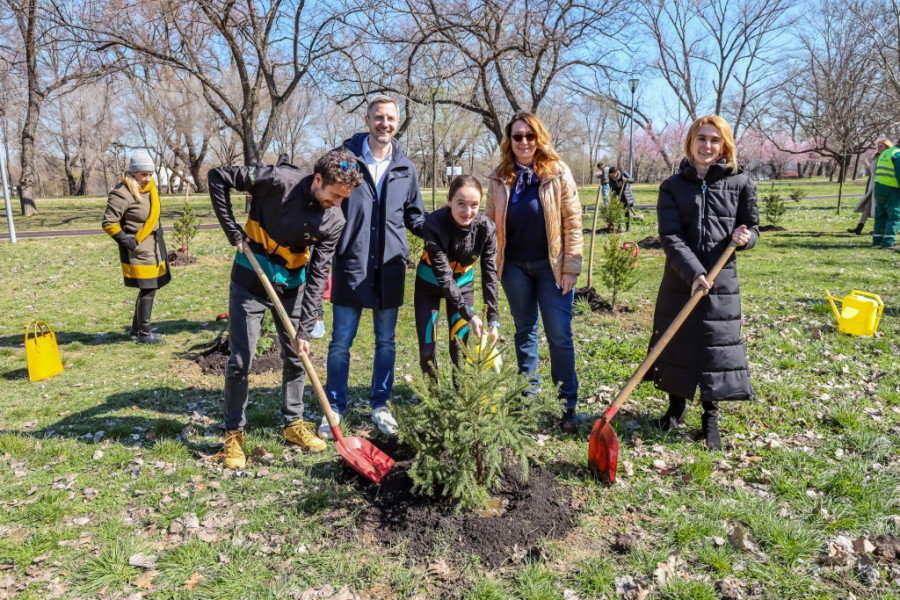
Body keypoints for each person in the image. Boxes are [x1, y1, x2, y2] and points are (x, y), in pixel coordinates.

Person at [208, 150, 363, 469]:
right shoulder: (275, 180)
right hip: (250, 278)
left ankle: (293, 424)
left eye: (343, 198)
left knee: (297, 355)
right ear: (318, 179)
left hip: (293, 285)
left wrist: (305, 328)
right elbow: (217, 176)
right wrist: (232, 230)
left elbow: (318, 274)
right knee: (241, 361)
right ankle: (234, 433)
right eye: (334, 196)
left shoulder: (335, 219)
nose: (337, 203)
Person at [649, 114, 758, 451]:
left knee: (715, 346)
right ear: (690, 142)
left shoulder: (741, 183)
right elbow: (670, 236)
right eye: (701, 138)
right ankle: (675, 409)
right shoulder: (672, 186)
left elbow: (752, 227)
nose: (707, 145)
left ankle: (710, 419)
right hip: (680, 277)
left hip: (721, 279)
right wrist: (694, 272)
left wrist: (746, 238)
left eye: (714, 140)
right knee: (677, 341)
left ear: (724, 145)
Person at [321, 95, 426, 439]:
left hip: (389, 266)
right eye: (379, 117)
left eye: (391, 118)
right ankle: (334, 406)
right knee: (340, 341)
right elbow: (325, 202)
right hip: (351, 262)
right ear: (367, 120)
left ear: (398, 123)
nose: (385, 124)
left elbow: (414, 216)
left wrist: (442, 228)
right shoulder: (345, 160)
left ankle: (380, 405)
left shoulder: (405, 167)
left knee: (386, 341)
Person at [485, 111, 583, 433]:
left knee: (559, 335)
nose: (524, 142)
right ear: (509, 140)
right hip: (514, 267)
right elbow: (489, 225)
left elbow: (573, 222)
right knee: (524, 330)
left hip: (551, 268)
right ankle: (528, 396)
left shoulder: (557, 171)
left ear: (539, 137)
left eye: (530, 135)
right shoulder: (500, 176)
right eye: (517, 136)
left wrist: (571, 268)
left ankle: (566, 404)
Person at [415, 175, 499, 378]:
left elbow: (489, 274)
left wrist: (493, 320)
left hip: (463, 285)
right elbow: (444, 277)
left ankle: (459, 394)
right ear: (449, 200)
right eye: (461, 203)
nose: (467, 212)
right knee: (427, 352)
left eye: (474, 205)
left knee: (460, 350)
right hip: (429, 286)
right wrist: (470, 316)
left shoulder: (486, 228)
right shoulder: (433, 224)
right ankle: (433, 394)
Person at [102, 150, 171, 344]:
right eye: (143, 174)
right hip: (138, 249)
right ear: (133, 173)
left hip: (154, 247)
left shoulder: (150, 189)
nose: (148, 178)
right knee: (148, 288)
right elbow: (109, 223)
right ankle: (144, 334)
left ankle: (136, 330)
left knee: (150, 287)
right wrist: (129, 242)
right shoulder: (122, 193)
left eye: (150, 174)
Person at [849, 139, 892, 235]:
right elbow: (872, 172)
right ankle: (859, 228)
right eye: (878, 146)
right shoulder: (876, 157)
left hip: (881, 186)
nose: (878, 148)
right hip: (873, 186)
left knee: (881, 208)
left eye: (881, 146)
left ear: (887, 147)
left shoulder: (888, 157)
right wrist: (867, 166)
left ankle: (881, 229)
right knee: (867, 206)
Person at [873, 139, 900, 248]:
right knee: (894, 215)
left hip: (879, 186)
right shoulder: (898, 154)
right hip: (892, 188)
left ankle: (877, 239)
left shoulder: (886, 153)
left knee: (881, 214)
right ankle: (888, 242)